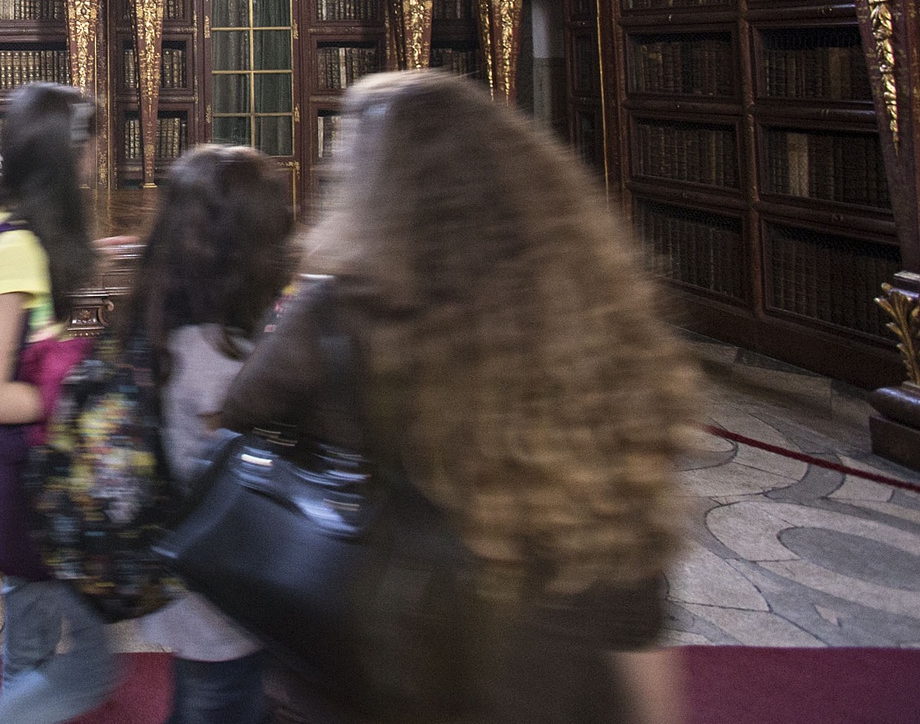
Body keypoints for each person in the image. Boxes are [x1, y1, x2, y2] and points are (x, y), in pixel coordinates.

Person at [221, 69, 700, 724]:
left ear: (377, 192)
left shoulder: (339, 314)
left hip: (397, 660)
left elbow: (241, 412)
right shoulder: (585, 323)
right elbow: (631, 581)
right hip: (561, 678)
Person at [0, 81, 120, 724]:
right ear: (70, 155)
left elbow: (32, 328)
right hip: (32, 477)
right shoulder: (16, 248)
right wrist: (78, 388)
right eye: (95, 142)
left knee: (32, 643)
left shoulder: (9, 225)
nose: (100, 155)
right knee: (90, 664)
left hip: (34, 474)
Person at [121, 145, 291, 724]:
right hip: (227, 592)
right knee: (218, 703)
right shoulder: (220, 361)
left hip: (200, 580)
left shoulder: (167, 327)